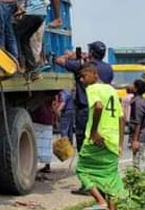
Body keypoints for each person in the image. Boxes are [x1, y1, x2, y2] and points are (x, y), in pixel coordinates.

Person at [75, 63, 125, 209]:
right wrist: (121, 143)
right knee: (111, 179)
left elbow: (98, 107)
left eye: (84, 76)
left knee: (82, 170)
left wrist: (94, 132)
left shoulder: (92, 88)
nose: (82, 81)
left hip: (97, 140)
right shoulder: (111, 90)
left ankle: (100, 202)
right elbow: (122, 118)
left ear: (94, 74)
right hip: (113, 141)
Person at [56, 42, 115, 152]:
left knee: (83, 139)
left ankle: (84, 163)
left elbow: (58, 60)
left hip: (85, 109)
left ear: (91, 52)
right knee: (100, 137)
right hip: (104, 108)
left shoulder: (83, 65)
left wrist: (71, 55)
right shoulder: (108, 68)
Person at [14, 0, 47, 69]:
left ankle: (18, 61)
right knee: (24, 38)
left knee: (15, 33)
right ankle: (31, 65)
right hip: (39, 13)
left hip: (34, 12)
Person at [128, 79, 145, 171]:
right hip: (141, 137)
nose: (129, 86)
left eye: (132, 85)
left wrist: (135, 140)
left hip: (139, 138)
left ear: (136, 88)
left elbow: (137, 122)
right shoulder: (140, 101)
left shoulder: (137, 103)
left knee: (137, 165)